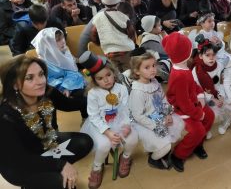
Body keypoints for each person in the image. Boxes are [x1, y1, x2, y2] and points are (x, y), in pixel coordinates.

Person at [0, 55, 93, 189]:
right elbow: (19, 159)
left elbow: (70, 104)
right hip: (20, 164)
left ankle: (49, 172)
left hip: (46, 143)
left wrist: (98, 96)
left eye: (41, 74)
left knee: (85, 142)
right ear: (15, 84)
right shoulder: (5, 116)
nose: (40, 81)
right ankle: (33, 183)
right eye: (29, 78)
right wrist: (61, 165)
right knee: (63, 184)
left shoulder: (47, 93)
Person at [79, 51, 138, 189]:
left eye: (108, 75)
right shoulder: (93, 94)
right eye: (100, 78)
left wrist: (127, 125)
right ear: (94, 80)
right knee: (104, 145)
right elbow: (93, 116)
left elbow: (126, 109)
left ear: (113, 73)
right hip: (100, 125)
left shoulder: (122, 89)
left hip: (120, 121)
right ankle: (97, 167)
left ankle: (126, 157)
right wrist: (108, 132)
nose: (106, 80)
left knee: (133, 137)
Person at [162, 32, 215, 172]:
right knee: (197, 130)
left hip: (192, 103)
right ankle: (178, 155)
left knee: (210, 116)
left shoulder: (184, 68)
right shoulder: (179, 75)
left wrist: (200, 95)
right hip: (181, 109)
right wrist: (198, 114)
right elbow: (183, 104)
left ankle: (197, 144)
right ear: (185, 53)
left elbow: (193, 85)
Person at [128, 49, 183, 169]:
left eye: (153, 65)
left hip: (159, 115)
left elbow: (163, 99)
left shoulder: (154, 82)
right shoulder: (138, 91)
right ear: (137, 71)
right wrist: (155, 126)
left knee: (177, 127)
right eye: (147, 67)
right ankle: (153, 159)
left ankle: (160, 151)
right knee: (166, 145)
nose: (153, 69)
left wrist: (167, 114)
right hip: (145, 122)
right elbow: (138, 116)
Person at [192, 35, 231, 136]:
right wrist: (213, 99)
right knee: (206, 111)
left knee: (230, 104)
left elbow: (219, 83)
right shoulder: (196, 71)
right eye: (207, 55)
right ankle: (206, 128)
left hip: (217, 91)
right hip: (202, 95)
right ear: (200, 56)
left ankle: (226, 121)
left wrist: (220, 95)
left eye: (213, 54)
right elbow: (197, 90)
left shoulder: (219, 65)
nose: (211, 58)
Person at [91, 0, 136, 72]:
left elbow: (93, 34)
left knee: (117, 75)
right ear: (118, 1)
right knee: (129, 74)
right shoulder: (123, 17)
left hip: (110, 52)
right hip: (126, 51)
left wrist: (100, 43)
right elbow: (131, 33)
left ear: (103, 1)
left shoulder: (98, 17)